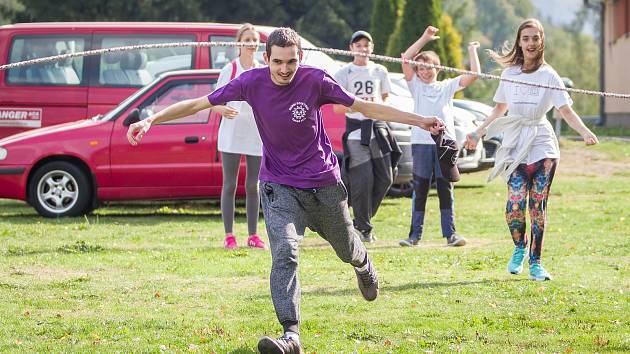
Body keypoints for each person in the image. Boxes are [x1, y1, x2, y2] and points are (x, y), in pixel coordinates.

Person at [127, 27, 443, 354]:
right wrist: (151, 119)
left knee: (347, 247)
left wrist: (419, 120)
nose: (284, 69)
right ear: (266, 59)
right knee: (285, 252)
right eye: (277, 62)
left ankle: (363, 264)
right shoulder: (251, 82)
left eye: (290, 61)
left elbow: (364, 106)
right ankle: (291, 335)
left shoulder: (315, 80)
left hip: (323, 184)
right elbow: (198, 103)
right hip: (279, 186)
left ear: (300, 57)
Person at [464, 18, 598, 281]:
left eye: (535, 38)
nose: (531, 43)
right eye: (526, 38)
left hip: (543, 144)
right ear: (519, 42)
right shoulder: (509, 74)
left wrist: (584, 131)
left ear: (542, 40)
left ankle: (536, 262)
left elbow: (565, 109)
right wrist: (478, 132)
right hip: (515, 144)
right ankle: (519, 248)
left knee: (537, 207)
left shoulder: (549, 75)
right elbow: (499, 109)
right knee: (514, 206)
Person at [398, 26, 481, 248]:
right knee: (421, 188)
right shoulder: (415, 86)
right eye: (422, 68)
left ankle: (451, 234)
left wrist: (472, 50)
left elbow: (474, 75)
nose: (427, 71)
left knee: (446, 188)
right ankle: (414, 235)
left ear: (438, 68)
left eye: (431, 67)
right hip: (421, 143)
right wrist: (424, 38)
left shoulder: (447, 86)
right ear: (417, 72)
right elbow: (405, 59)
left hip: (445, 144)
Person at [333, 30, 398, 243]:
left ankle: (362, 220)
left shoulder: (380, 70)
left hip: (378, 129)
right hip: (355, 132)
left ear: (372, 48)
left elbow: (386, 98)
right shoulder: (344, 73)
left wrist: (379, 107)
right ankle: (363, 227)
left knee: (386, 177)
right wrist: (358, 107)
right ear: (351, 48)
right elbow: (336, 108)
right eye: (358, 45)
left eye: (366, 45)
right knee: (362, 179)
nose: (363, 48)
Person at [215, 23, 266, 250]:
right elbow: (213, 102)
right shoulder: (230, 70)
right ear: (239, 43)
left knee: (253, 186)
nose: (251, 43)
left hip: (255, 135)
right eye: (247, 39)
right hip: (231, 135)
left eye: (254, 40)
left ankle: (253, 235)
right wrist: (223, 109)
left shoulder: (263, 69)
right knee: (230, 185)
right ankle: (229, 235)